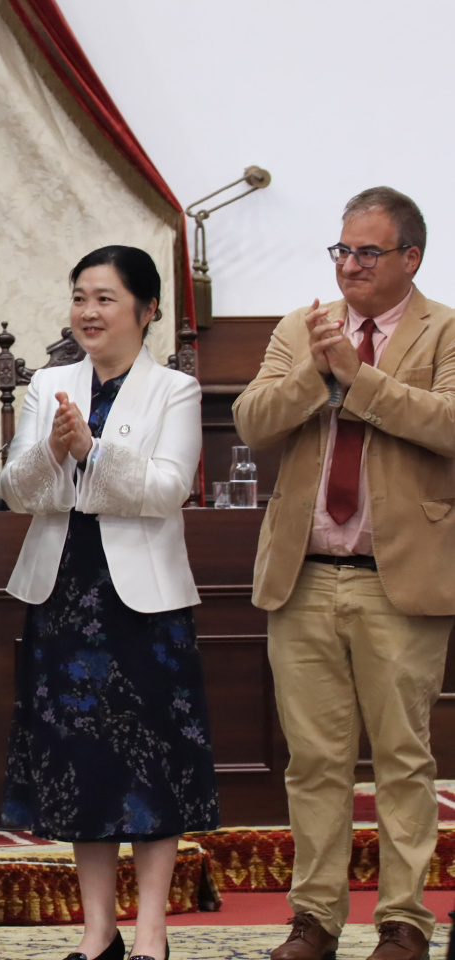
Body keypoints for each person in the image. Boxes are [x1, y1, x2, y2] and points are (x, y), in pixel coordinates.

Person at [235, 187, 455, 960]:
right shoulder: (302, 327)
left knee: (402, 759)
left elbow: (450, 425)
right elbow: (253, 421)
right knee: (314, 762)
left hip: (400, 579)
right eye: (342, 250)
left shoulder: (446, 330)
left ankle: (403, 921)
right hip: (303, 576)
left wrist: (358, 380)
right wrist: (318, 374)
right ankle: (314, 920)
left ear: (410, 258)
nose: (350, 265)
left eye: (367, 252)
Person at [0, 246, 219, 960]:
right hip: (64, 594)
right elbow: (15, 490)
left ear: (147, 310)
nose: (88, 312)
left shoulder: (174, 390)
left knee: (153, 764)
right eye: (79, 297)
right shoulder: (48, 383)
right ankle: (99, 932)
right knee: (79, 764)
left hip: (143, 606)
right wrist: (54, 452)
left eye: (105, 299)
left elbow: (167, 489)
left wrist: (92, 449)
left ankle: (152, 932)